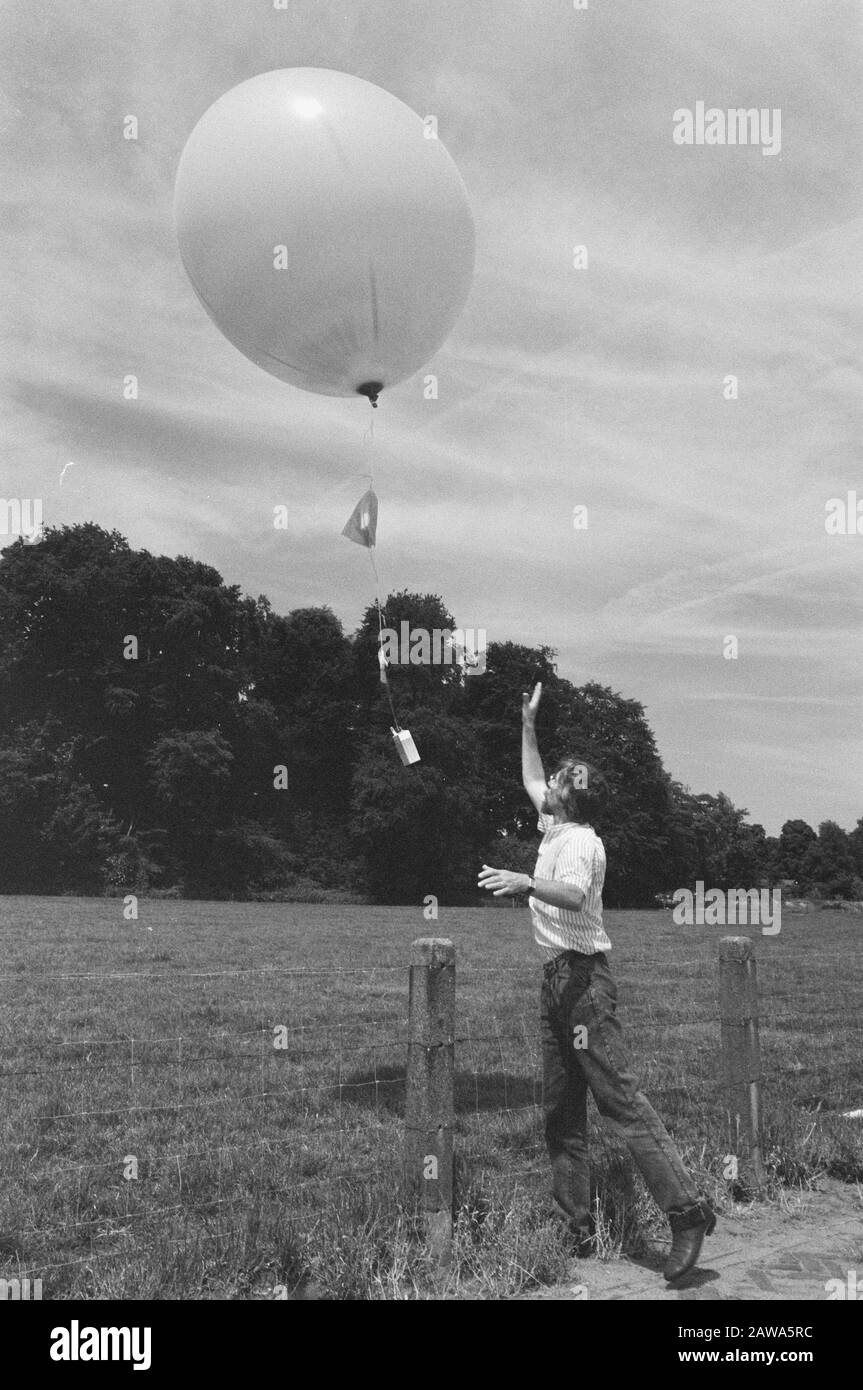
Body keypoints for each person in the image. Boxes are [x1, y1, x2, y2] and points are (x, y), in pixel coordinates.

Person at [477, 681, 715, 1282]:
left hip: (585, 988)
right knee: (561, 1109)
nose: (549, 782)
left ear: (572, 799)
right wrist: (527, 724)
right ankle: (574, 1225)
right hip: (555, 985)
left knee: (620, 1103)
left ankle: (686, 1214)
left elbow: (573, 894)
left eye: (559, 780)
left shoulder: (581, 841)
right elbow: (530, 778)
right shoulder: (553, 826)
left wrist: (526, 883)